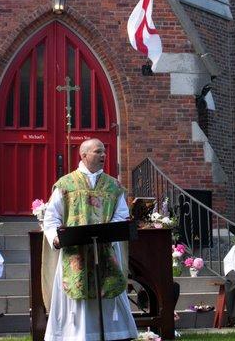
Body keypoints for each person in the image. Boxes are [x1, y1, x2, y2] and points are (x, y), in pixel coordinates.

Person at [42, 138, 138, 341]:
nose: (103, 155)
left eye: (104, 152)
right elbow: (51, 217)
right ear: (83, 155)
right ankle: (75, 335)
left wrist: (110, 233)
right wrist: (56, 238)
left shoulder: (113, 186)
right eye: (98, 152)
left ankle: (113, 334)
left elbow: (121, 214)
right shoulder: (66, 184)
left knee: (108, 289)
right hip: (75, 252)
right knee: (77, 293)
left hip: (104, 248)